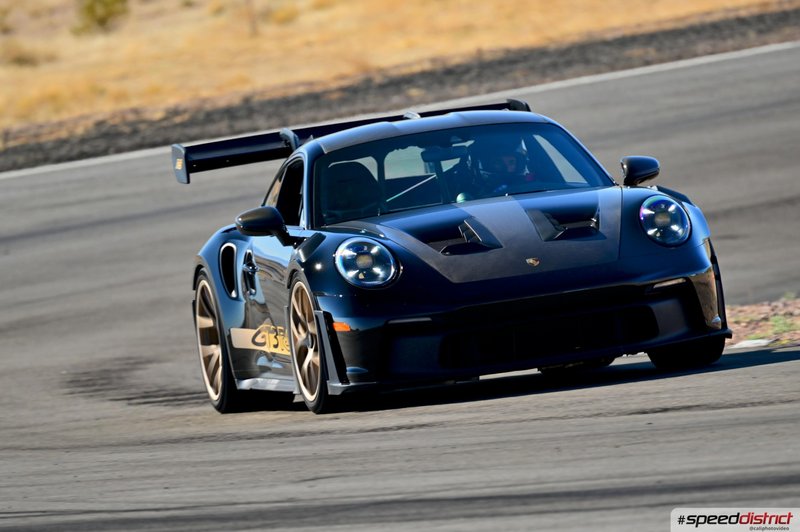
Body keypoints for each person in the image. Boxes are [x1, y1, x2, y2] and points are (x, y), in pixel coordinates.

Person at [449, 136, 534, 201]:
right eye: (498, 163)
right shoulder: (461, 188)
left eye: (511, 162)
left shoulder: (531, 186)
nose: (508, 169)